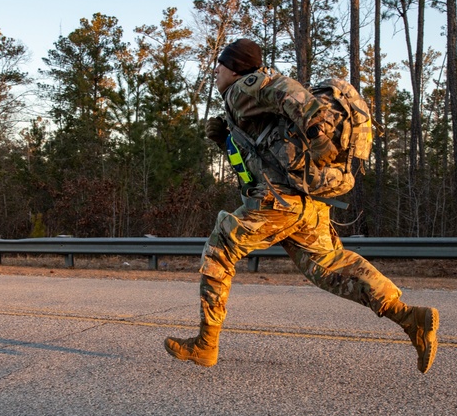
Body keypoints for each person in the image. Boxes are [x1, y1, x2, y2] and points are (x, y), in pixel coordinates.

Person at [164, 38, 440, 372]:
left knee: (220, 247)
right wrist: (226, 140)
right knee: (331, 268)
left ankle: (206, 344)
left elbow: (286, 89)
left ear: (235, 68)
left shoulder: (243, 88)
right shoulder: (242, 107)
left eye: (220, 66)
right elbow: (260, 158)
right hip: (302, 204)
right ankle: (410, 317)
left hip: (278, 204)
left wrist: (318, 135)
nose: (216, 73)